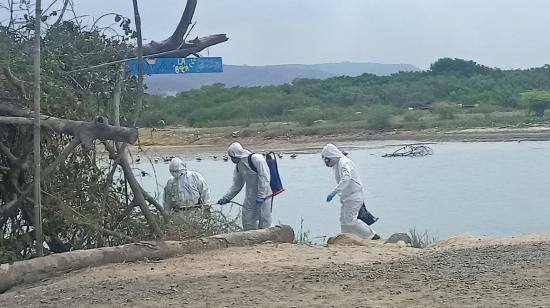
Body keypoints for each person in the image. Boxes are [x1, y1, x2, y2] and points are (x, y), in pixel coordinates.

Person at [321, 143, 380, 240]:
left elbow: (346, 178)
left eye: (327, 159)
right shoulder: (337, 164)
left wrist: (334, 192)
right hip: (346, 196)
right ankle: (346, 238)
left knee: (350, 220)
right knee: (343, 220)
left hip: (354, 195)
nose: (326, 162)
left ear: (332, 156)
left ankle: (373, 236)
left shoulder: (344, 163)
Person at [217, 142, 272, 230]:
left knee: (264, 219)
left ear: (236, 155)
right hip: (250, 196)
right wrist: (227, 198)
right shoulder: (239, 167)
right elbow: (237, 185)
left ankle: (267, 240)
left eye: (232, 157)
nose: (232, 160)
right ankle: (250, 238)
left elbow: (264, 177)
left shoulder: (256, 159)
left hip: (265, 194)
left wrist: (261, 195)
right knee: (247, 219)